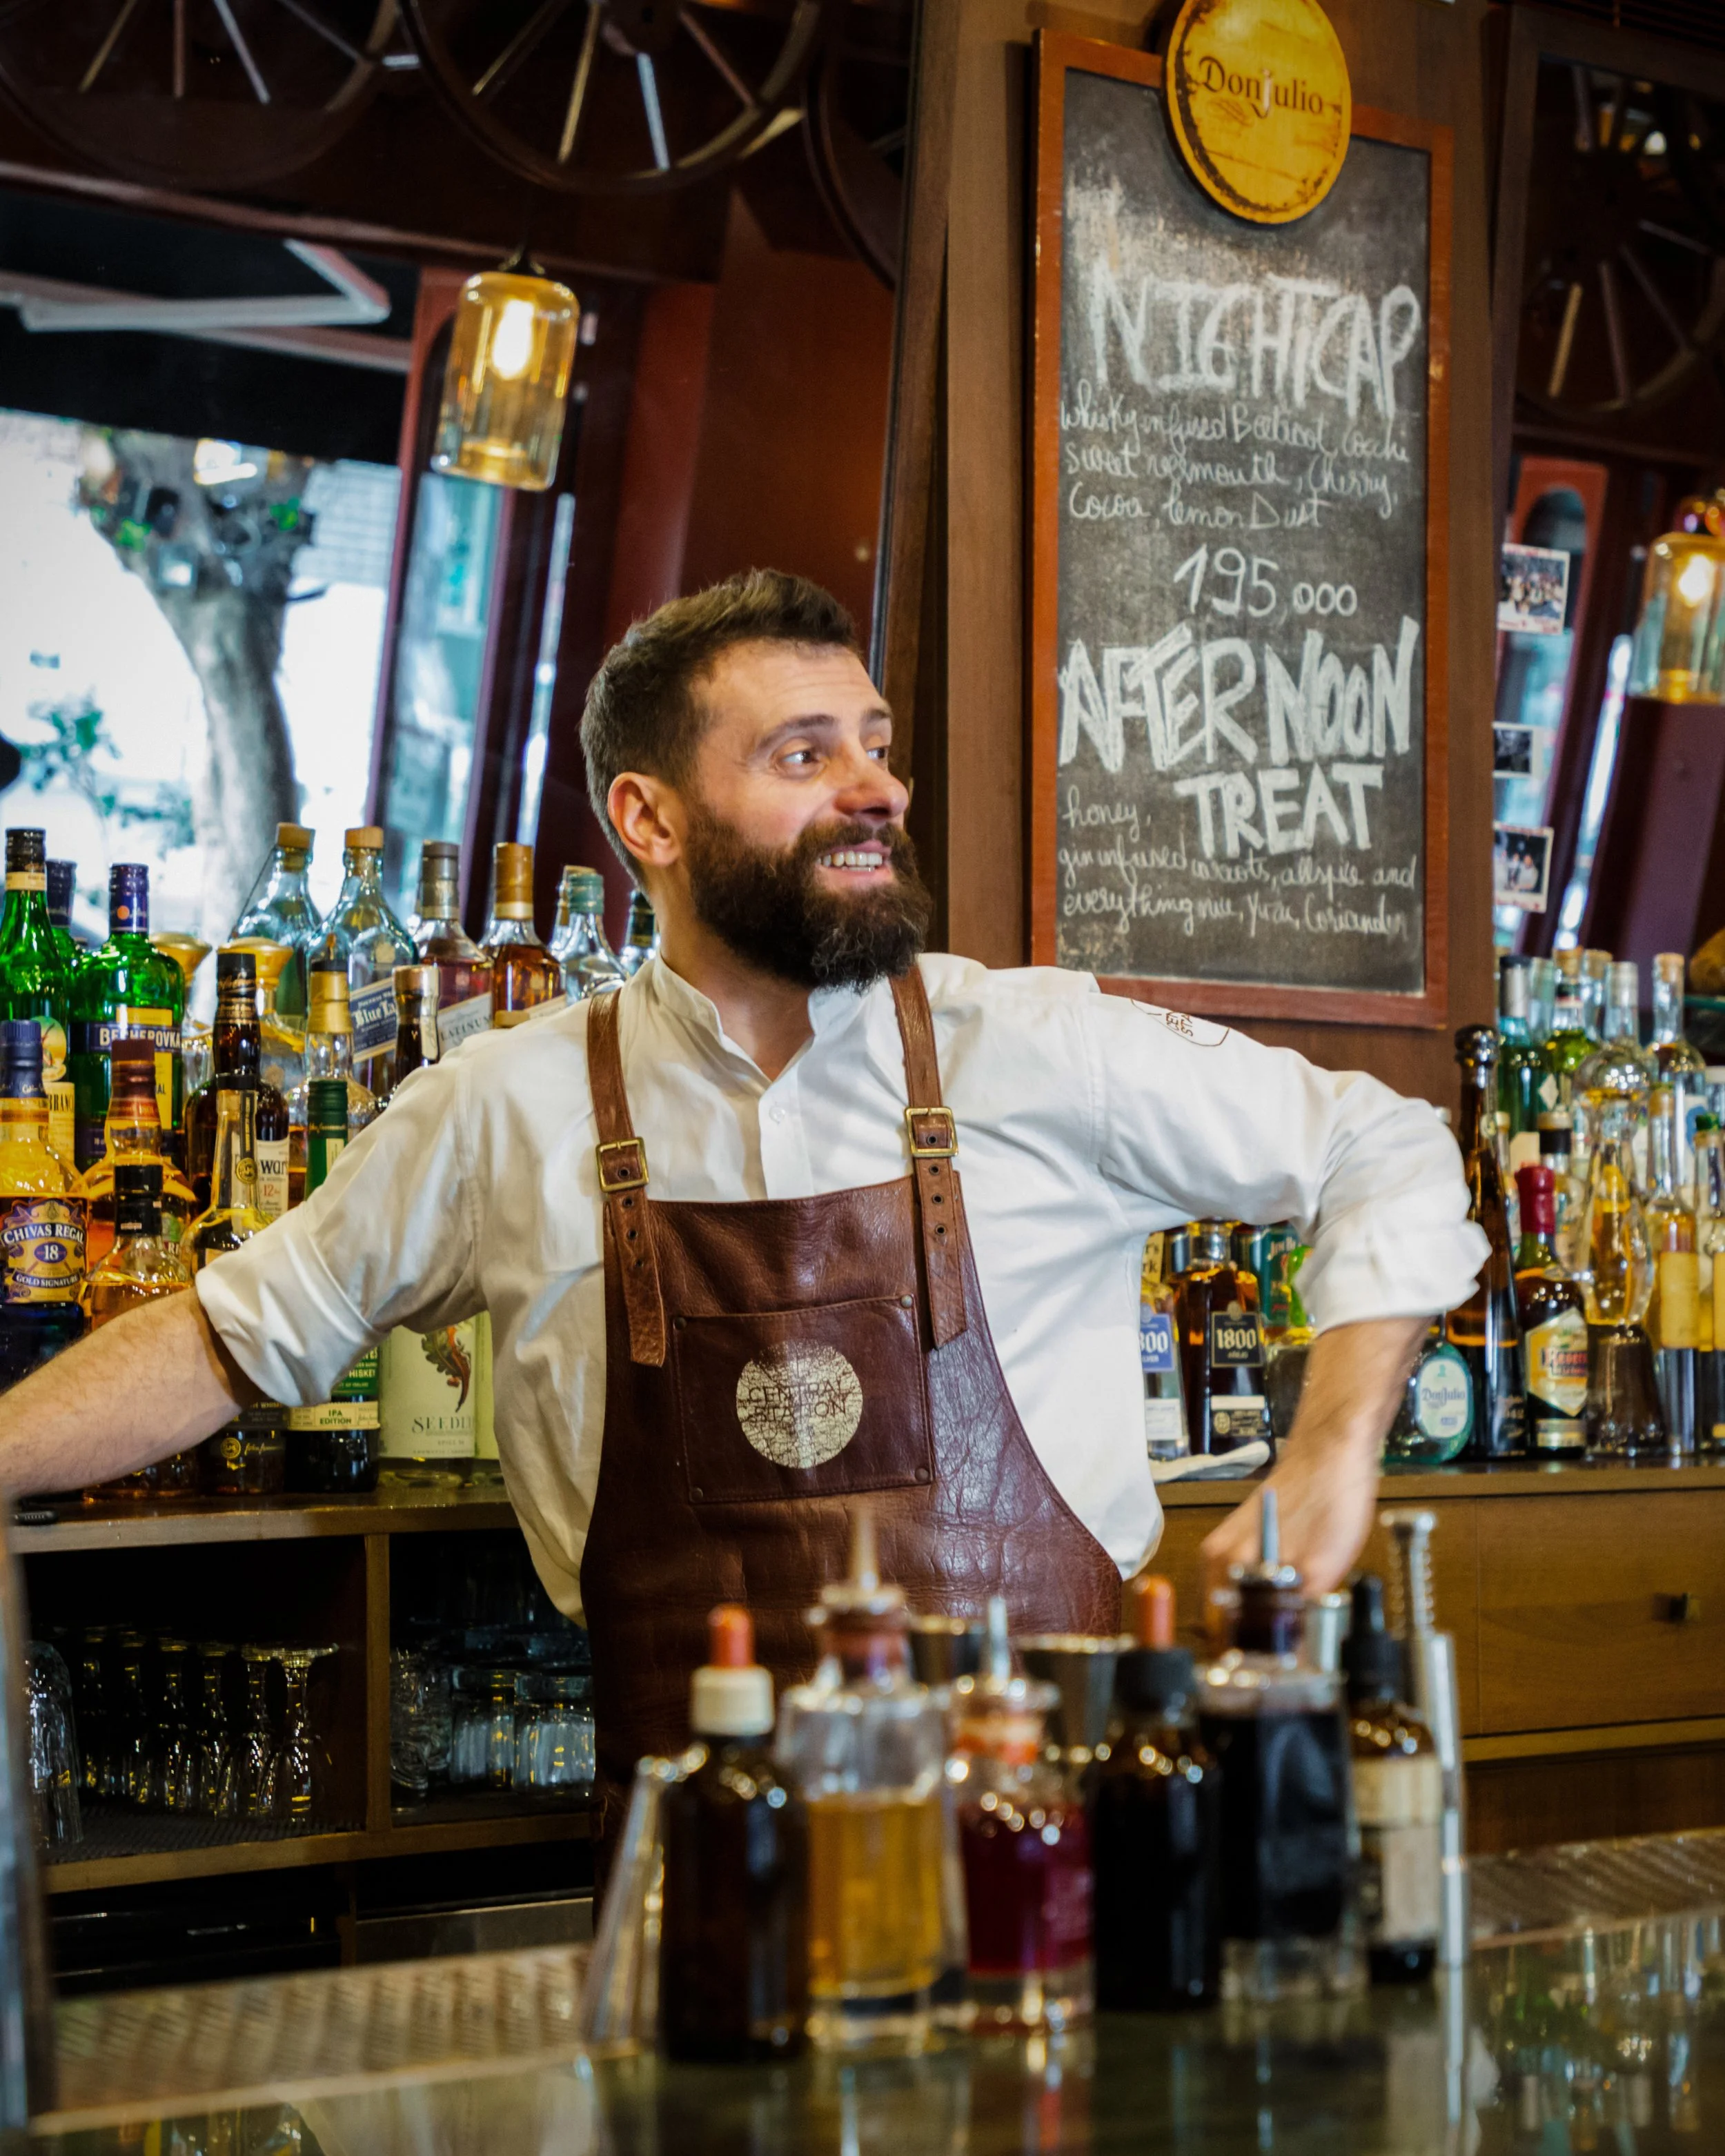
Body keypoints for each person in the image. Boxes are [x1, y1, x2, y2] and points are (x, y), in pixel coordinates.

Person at [1, 571, 1484, 1832]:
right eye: (800, 753)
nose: (875, 788)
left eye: (875, 745)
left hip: (1052, 1858)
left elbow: (1386, 1147)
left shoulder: (1034, 1046)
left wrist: (1329, 1447)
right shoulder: (500, 1105)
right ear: (646, 817)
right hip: (701, 1874)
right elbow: (227, 1337)